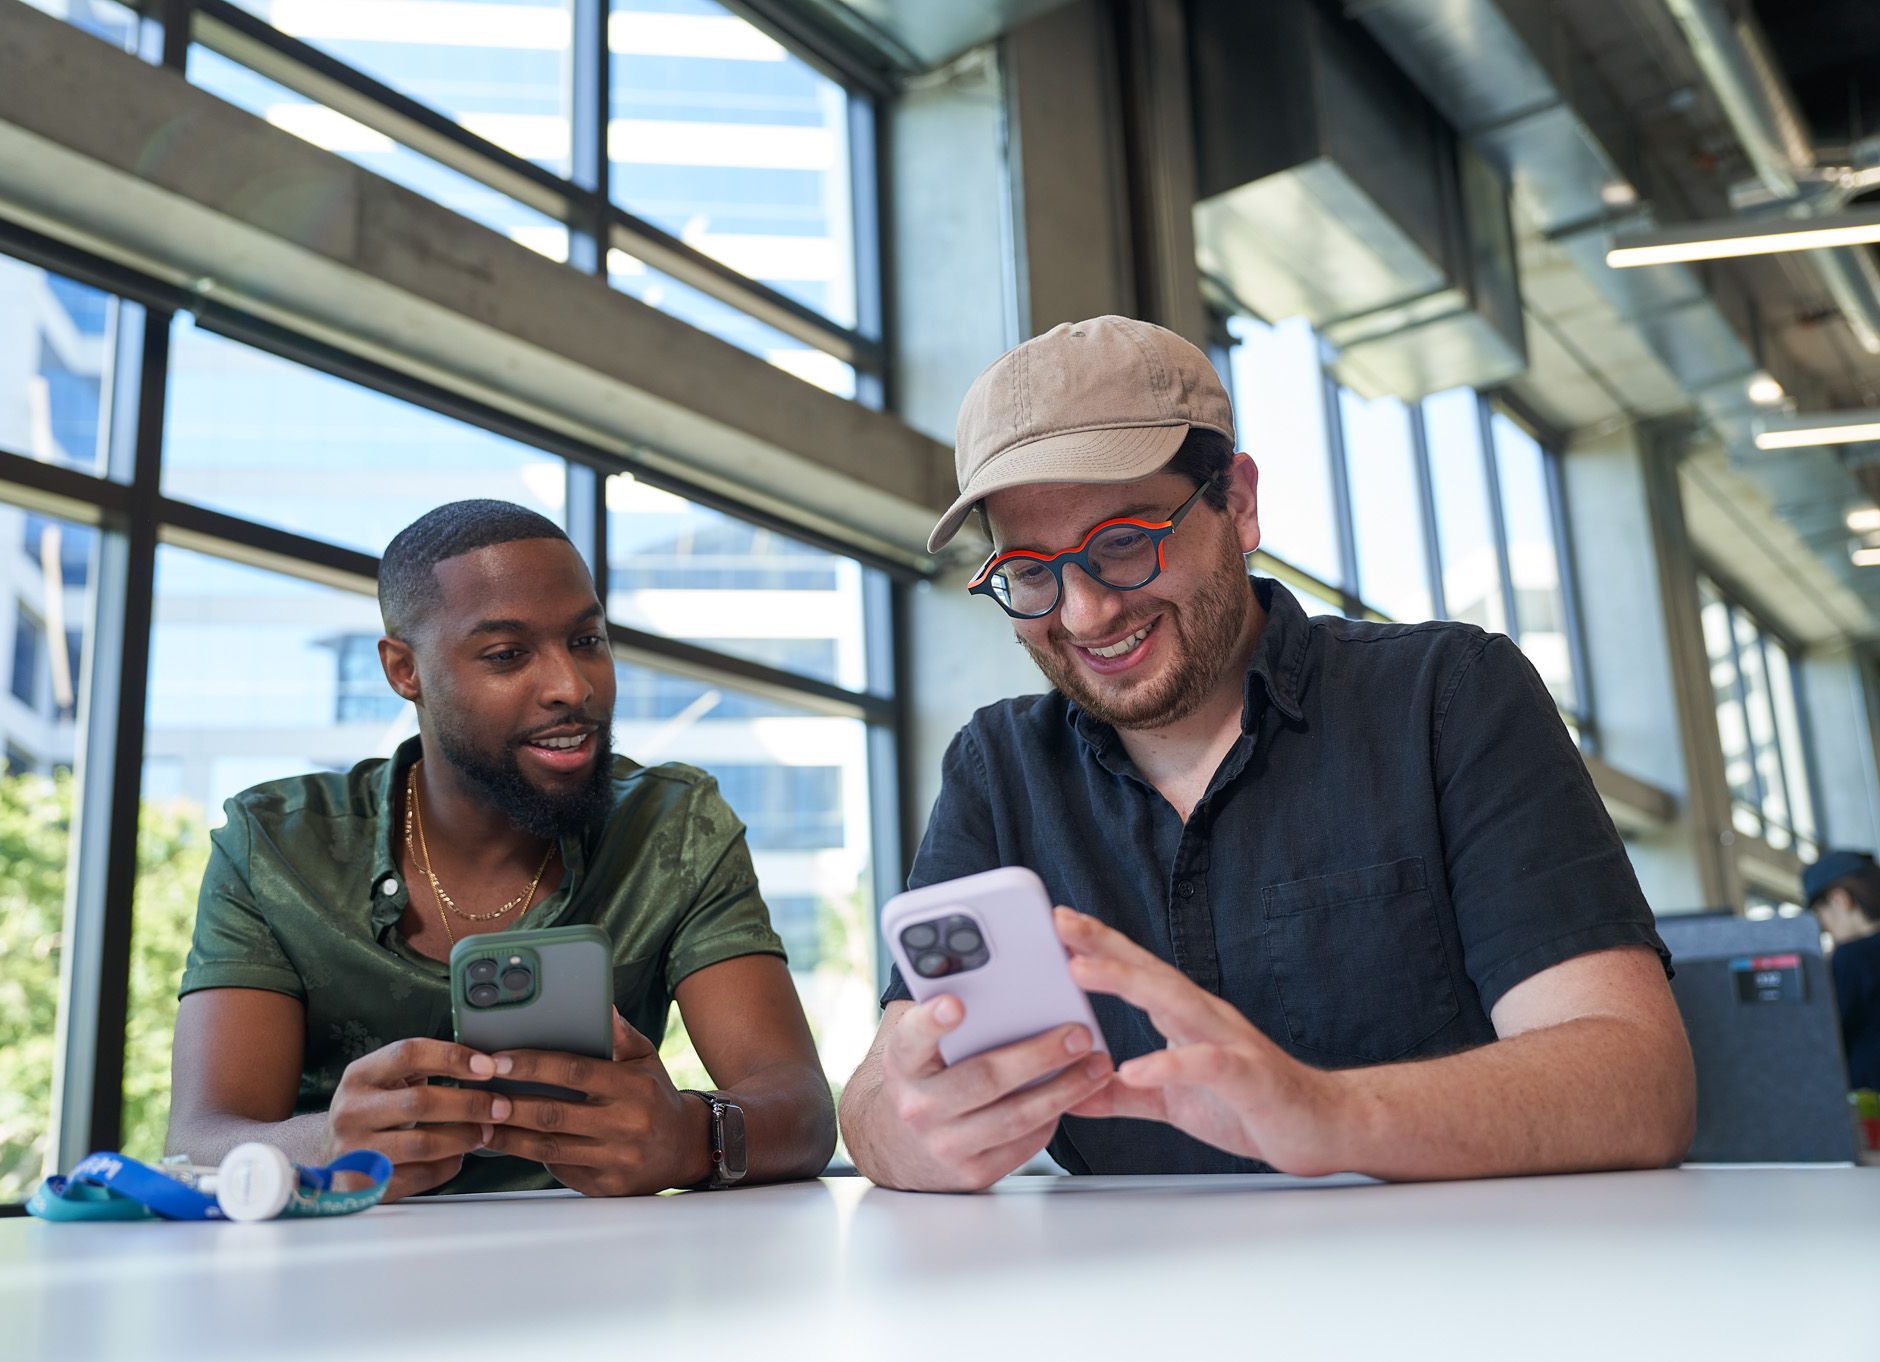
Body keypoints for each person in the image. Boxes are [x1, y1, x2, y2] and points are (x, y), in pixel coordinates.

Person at [840, 315, 1696, 1191]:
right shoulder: (997, 769)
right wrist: (916, 1125)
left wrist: (1327, 1113)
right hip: (1116, 1312)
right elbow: (875, 1101)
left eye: (1127, 541)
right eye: (1028, 569)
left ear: (1236, 502)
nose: (1086, 613)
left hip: (1451, 1295)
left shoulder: (1448, 698)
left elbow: (1638, 1080)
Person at [167, 500, 835, 1198]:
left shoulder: (673, 828)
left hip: (608, 1274)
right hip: (341, 1285)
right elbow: (198, 1141)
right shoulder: (278, 845)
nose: (571, 687)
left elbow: (804, 1110)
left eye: (587, 640)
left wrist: (692, 1134)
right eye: (508, 654)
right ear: (404, 669)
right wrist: (327, 1144)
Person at [1802, 849, 1880, 1091]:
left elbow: (1829, 1035)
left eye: (1821, 913)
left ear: (1840, 899)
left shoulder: (1852, 957)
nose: (1824, 926)